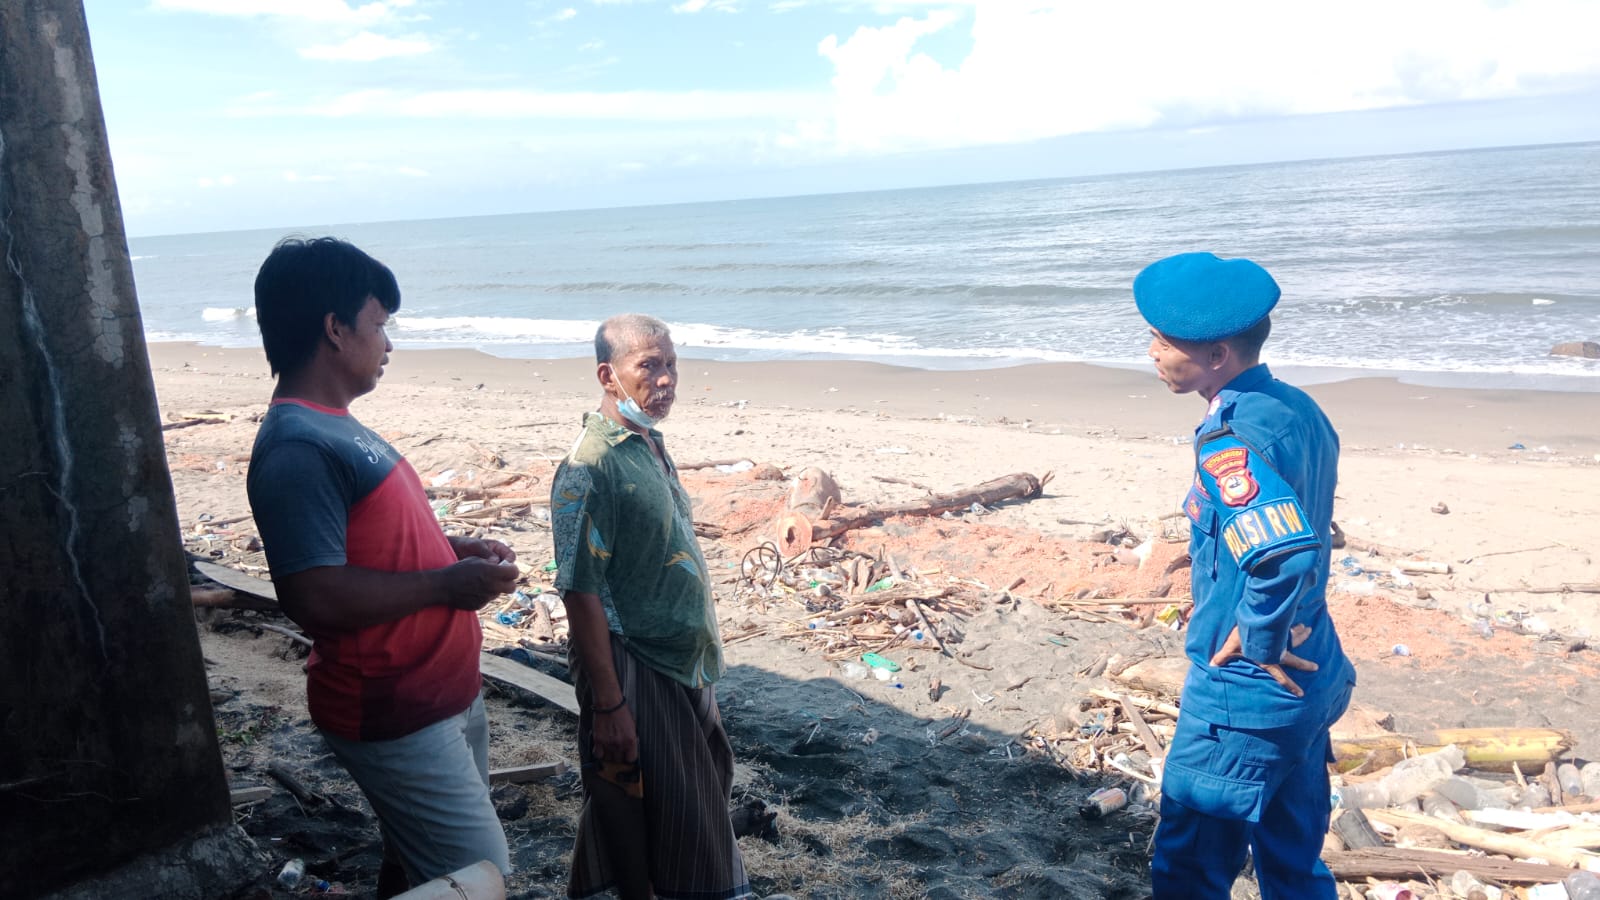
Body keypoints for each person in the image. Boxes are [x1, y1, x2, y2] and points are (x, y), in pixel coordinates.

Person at [245, 237, 519, 897]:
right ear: (335, 329)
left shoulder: (337, 423)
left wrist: (453, 549)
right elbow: (315, 597)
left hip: (441, 694)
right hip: (396, 713)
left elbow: (367, 541)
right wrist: (446, 585)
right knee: (482, 882)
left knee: (420, 864)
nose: (388, 343)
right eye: (379, 325)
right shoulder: (296, 447)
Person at [1134, 252, 1357, 899]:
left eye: (1163, 339)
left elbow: (1281, 551)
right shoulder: (1297, 408)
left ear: (1218, 355)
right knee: (1292, 857)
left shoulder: (1228, 440)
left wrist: (1258, 636)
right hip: (1313, 666)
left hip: (1245, 692)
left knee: (1188, 864)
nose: (1151, 350)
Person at [550, 313, 751, 900]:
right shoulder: (590, 466)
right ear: (608, 376)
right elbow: (580, 590)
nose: (666, 379)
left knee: (685, 790)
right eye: (649, 365)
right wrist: (610, 703)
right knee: (650, 797)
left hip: (681, 658)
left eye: (672, 364)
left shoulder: (646, 444)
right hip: (633, 658)